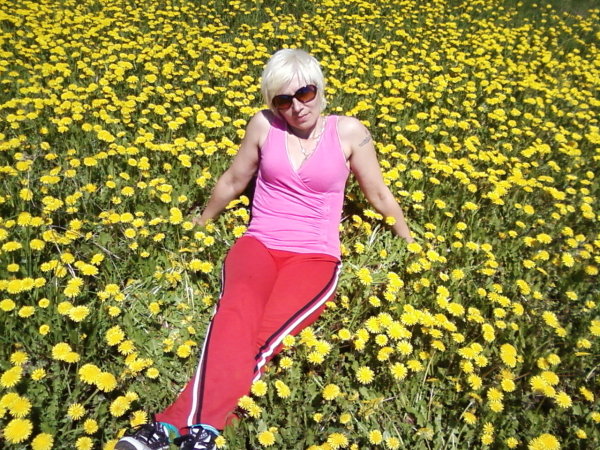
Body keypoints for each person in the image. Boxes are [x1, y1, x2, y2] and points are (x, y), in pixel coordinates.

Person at [115, 48, 414, 450]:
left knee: (262, 337)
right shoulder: (263, 125)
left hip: (314, 256)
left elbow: (378, 193)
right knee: (232, 319)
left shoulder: (349, 132)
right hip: (258, 243)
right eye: (283, 100)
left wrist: (410, 242)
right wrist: (200, 223)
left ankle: (170, 427)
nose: (296, 107)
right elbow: (233, 180)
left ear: (320, 88)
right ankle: (202, 434)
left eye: (305, 94)